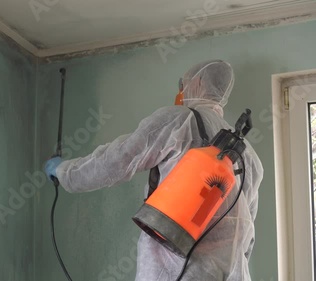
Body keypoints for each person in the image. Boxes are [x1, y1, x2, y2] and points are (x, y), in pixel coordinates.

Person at [44, 59, 264, 281]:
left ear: (197, 82)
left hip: (176, 270)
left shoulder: (179, 120)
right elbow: (247, 235)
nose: (181, 91)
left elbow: (116, 160)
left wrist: (64, 172)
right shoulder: (249, 156)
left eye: (183, 84)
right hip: (233, 273)